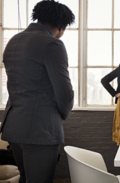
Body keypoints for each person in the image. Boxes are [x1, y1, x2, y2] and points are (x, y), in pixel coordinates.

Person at [0, 1, 74, 182]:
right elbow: (64, 92)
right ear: (60, 25)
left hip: (14, 126)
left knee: (26, 178)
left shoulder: (14, 41)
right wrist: (63, 113)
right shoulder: (52, 44)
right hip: (40, 130)